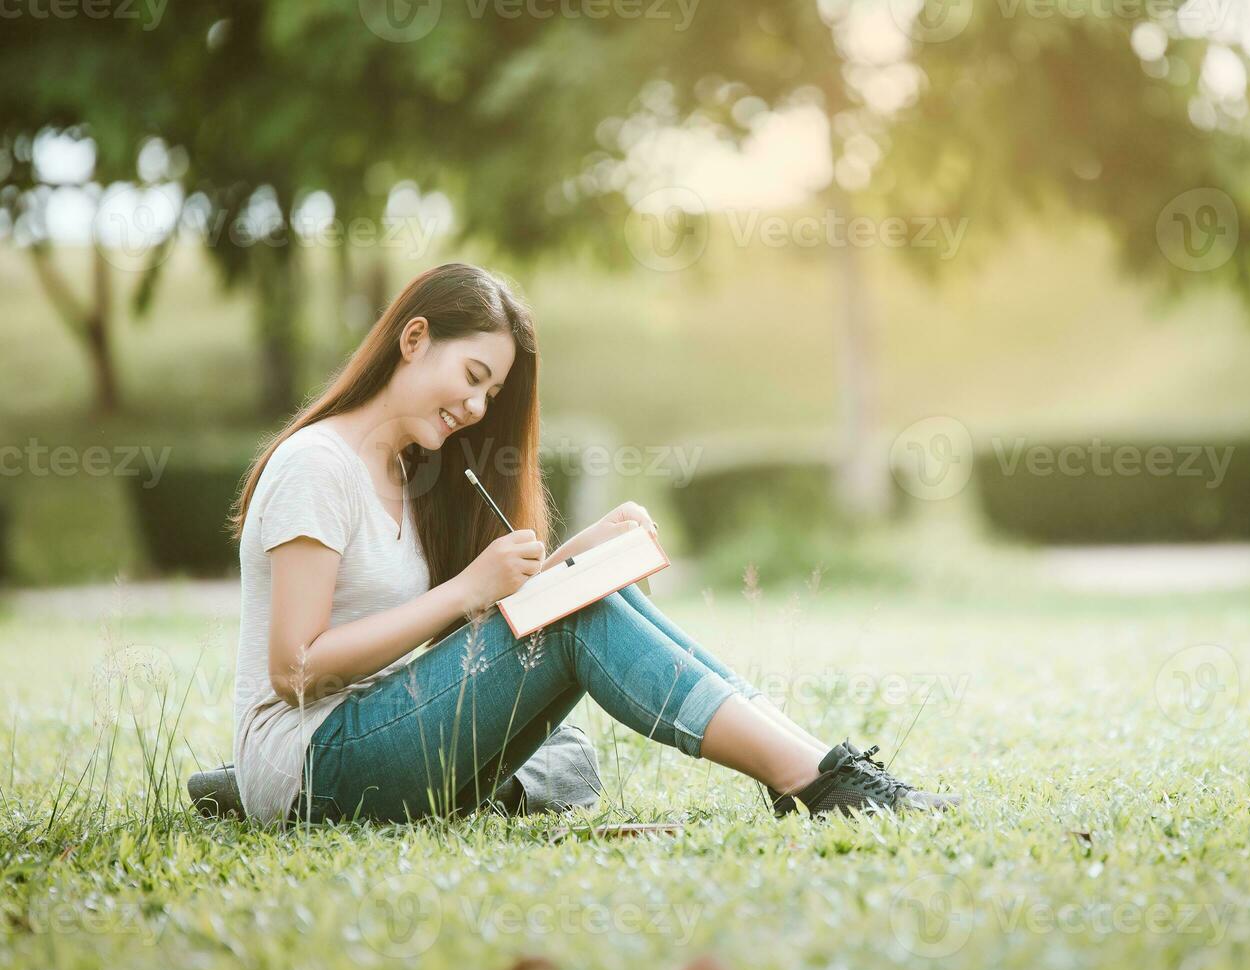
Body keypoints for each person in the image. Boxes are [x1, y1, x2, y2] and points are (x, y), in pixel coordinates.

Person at [227, 262, 959, 826]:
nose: (478, 407)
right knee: (578, 640)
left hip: (374, 730)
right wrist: (466, 589)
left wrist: (577, 557)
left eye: (491, 393)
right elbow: (295, 670)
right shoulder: (317, 466)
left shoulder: (405, 470)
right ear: (413, 339)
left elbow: (468, 642)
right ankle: (817, 780)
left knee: (581, 628)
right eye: (474, 377)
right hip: (312, 767)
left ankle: (821, 764)